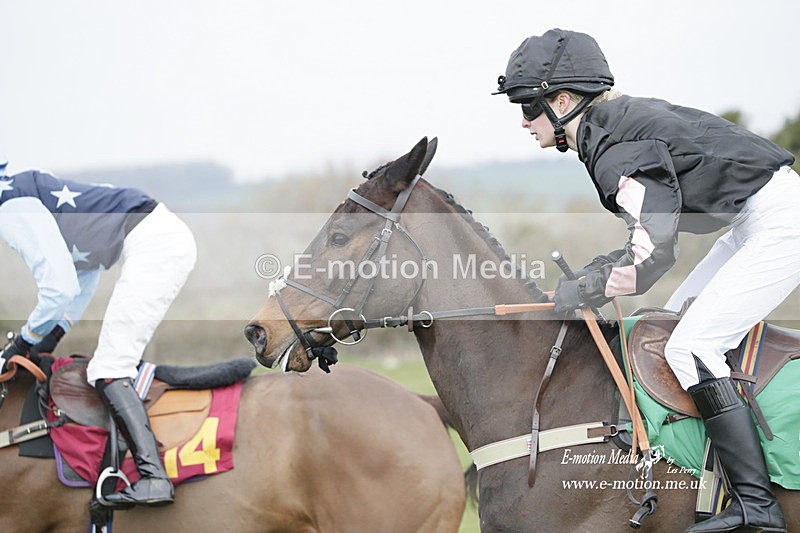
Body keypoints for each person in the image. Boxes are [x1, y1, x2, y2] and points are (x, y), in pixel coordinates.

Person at [494, 29, 797, 533]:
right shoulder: (611, 128)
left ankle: (756, 503)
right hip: (753, 220)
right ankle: (705, 481)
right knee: (666, 328)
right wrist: (590, 276)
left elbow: (652, 256)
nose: (524, 121)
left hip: (780, 222)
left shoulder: (613, 147)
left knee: (691, 347)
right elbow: (648, 238)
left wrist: (585, 287)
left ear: (563, 102)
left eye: (528, 106)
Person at [0, 157, 197, 509]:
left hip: (155, 243)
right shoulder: (26, 193)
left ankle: (154, 478)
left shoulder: (10, 205)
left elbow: (59, 288)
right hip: (160, 237)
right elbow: (81, 274)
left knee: (109, 368)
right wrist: (52, 335)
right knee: (108, 365)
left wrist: (23, 341)